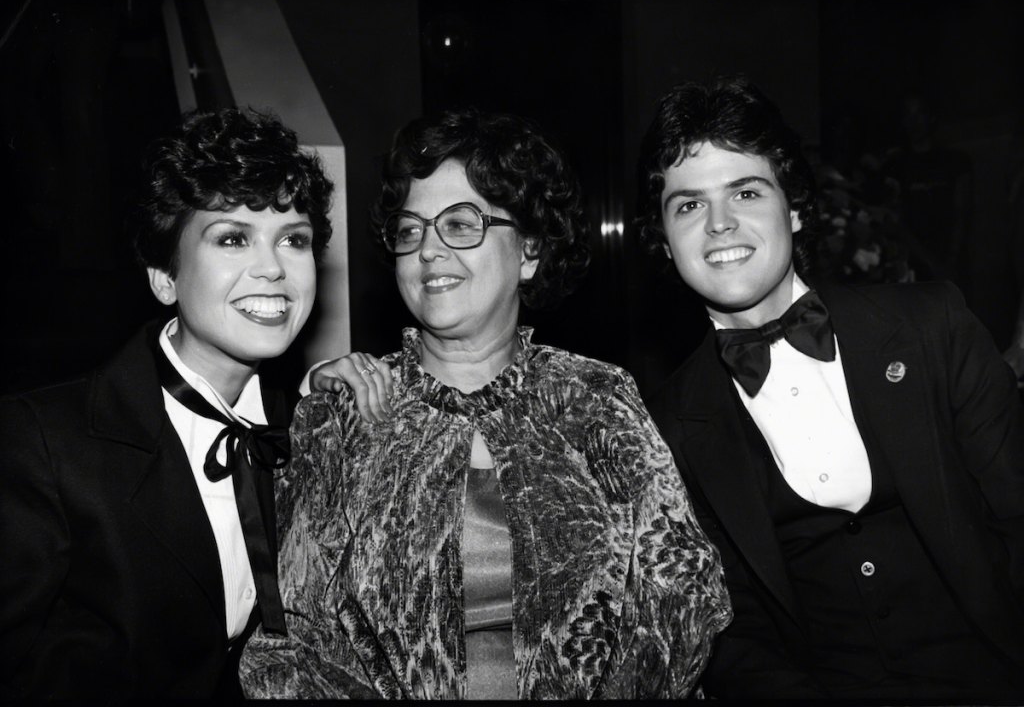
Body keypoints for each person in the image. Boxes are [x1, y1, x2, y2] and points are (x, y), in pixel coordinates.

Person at [239, 108, 731, 700]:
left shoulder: (596, 399)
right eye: (411, 230)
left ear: (527, 250)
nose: (429, 250)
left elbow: (682, 592)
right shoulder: (344, 411)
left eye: (461, 223)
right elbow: (290, 641)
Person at [636, 76, 1024, 700]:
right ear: (663, 238)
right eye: (688, 204)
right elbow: (729, 633)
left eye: (745, 191)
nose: (719, 224)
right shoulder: (669, 424)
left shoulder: (932, 328)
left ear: (792, 208)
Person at [0, 108, 333, 698]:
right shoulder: (45, 443)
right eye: (233, 238)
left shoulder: (310, 427)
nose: (273, 269)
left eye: (294, 240)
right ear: (164, 277)